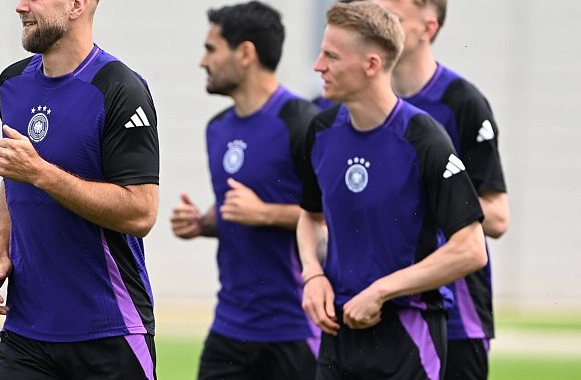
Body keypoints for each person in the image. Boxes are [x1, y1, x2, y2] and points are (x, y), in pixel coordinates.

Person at [297, 2, 488, 380]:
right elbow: (309, 215)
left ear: (371, 64)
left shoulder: (424, 138)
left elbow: (470, 248)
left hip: (409, 334)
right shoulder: (320, 130)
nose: (318, 65)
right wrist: (312, 274)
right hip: (338, 334)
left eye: (331, 56)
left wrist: (382, 291)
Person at [0, 0, 160, 378]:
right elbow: (15, 172)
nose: (20, 6)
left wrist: (42, 173)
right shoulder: (12, 83)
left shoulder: (120, 88)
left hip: (109, 332)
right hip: (26, 333)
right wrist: (0, 248)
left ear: (78, 4)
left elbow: (141, 211)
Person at [170, 2, 319, 379]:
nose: (203, 62)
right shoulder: (216, 129)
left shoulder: (303, 123)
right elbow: (237, 211)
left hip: (294, 329)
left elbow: (336, 220)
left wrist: (265, 212)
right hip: (230, 328)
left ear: (246, 53)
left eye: (211, 49)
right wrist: (204, 222)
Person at [374, 1, 509, 377]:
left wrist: (418, 207)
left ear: (428, 28)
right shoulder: (360, 109)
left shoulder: (461, 102)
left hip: (454, 319)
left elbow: (497, 217)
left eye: (394, 21)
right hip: (381, 312)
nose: (380, 28)